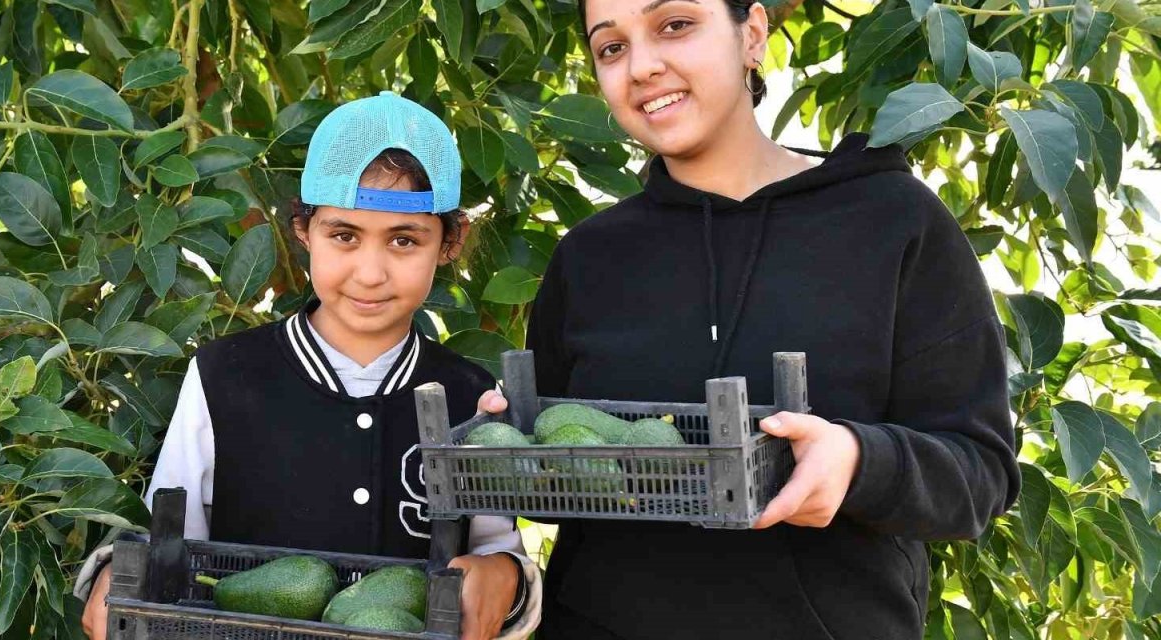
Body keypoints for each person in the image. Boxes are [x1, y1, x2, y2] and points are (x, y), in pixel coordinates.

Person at [476, 0, 1020, 637]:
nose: (643, 66)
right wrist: (510, 441)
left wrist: (856, 459)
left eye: (674, 25)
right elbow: (560, 456)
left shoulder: (895, 222)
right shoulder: (588, 257)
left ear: (752, 33)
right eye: (611, 48)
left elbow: (980, 476)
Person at [79, 92, 541, 640]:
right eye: (344, 236)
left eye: (403, 240)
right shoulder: (224, 375)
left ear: (450, 242)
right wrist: (122, 573)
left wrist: (504, 576)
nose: (370, 273)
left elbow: (493, 556)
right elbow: (168, 540)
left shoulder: (474, 395)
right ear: (304, 230)